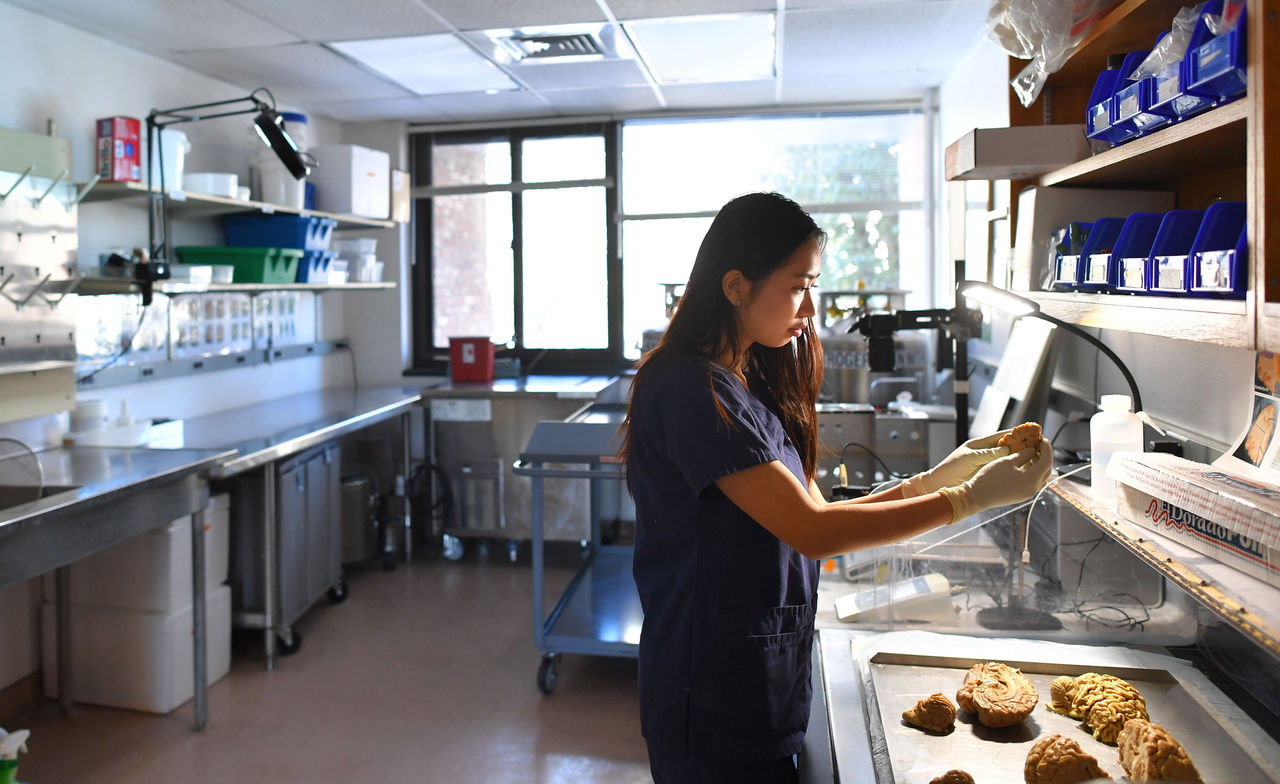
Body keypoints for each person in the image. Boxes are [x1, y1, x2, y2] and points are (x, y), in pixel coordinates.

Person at [620, 192, 1052, 783]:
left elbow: (811, 512)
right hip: (712, 692)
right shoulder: (691, 391)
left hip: (748, 680)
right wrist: (966, 501)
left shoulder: (737, 384)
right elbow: (816, 534)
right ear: (736, 286)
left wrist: (936, 478)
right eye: (799, 285)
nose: (809, 307)